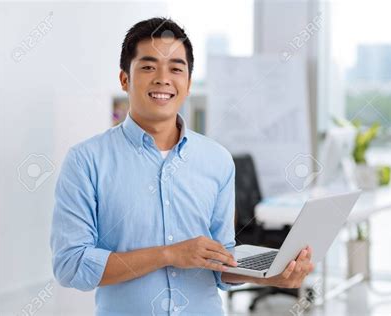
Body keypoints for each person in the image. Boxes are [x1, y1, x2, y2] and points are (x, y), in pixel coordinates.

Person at [50, 17, 313, 315]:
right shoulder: (86, 160)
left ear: (188, 84)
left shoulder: (217, 160)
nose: (163, 78)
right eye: (148, 67)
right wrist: (168, 254)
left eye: (176, 68)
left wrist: (271, 274)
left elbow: (220, 263)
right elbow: (71, 265)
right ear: (125, 79)